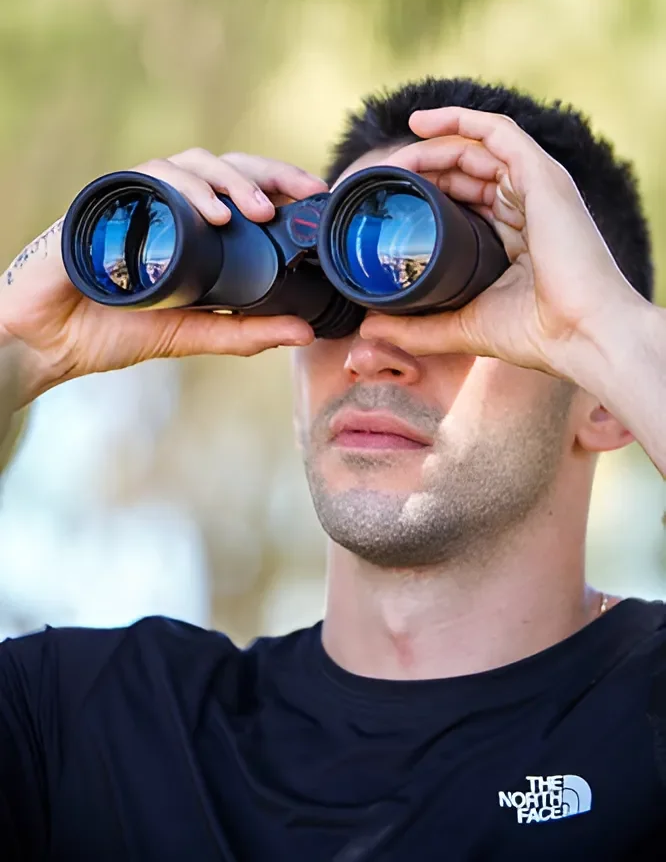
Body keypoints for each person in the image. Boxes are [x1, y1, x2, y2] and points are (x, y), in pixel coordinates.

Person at [0, 76, 664, 861]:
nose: (369, 352)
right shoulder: (86, 729)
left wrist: (609, 330)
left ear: (606, 399)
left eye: (440, 293)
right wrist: (19, 346)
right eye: (333, 298)